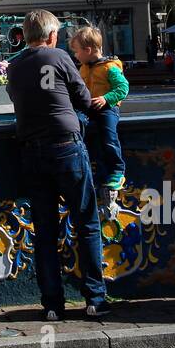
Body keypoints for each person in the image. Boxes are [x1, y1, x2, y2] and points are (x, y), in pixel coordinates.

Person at [6, 10, 110, 321]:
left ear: (24, 37)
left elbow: (16, 97)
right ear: (52, 37)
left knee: (45, 231)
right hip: (66, 146)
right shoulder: (60, 57)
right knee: (86, 224)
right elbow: (82, 97)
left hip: (32, 151)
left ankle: (52, 303)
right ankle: (95, 298)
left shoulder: (14, 65)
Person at [68, 25, 129, 215]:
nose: (75, 55)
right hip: (89, 107)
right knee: (76, 126)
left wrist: (106, 98)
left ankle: (117, 170)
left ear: (87, 50)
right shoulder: (83, 67)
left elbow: (123, 88)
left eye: (77, 51)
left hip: (107, 109)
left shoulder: (110, 68)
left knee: (109, 136)